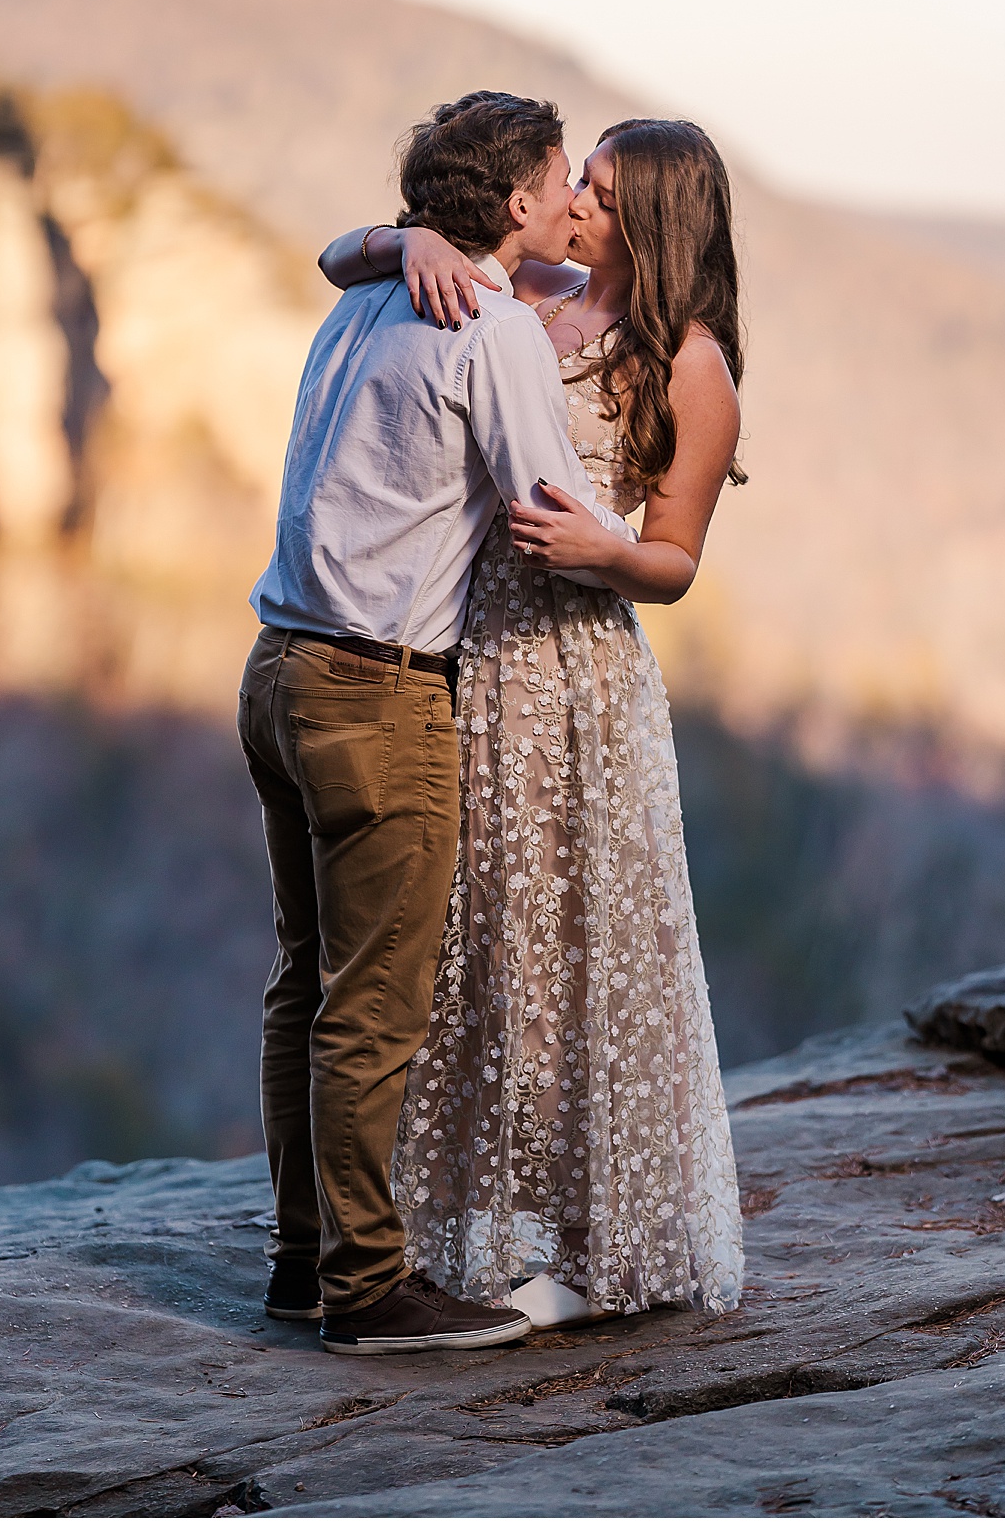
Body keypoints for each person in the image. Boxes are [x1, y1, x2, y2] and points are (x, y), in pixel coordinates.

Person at [318, 116, 745, 1328]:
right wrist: (401, 236)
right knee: (476, 957)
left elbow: (674, 560)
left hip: (575, 682)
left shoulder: (689, 364)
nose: (575, 204)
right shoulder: (525, 290)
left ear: (650, 220)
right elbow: (335, 261)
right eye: (579, 182)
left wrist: (602, 551)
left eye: (600, 194)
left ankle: (599, 1248)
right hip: (465, 662)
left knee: (580, 956)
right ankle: (463, 1231)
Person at [239, 91, 641, 1355]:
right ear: (515, 201)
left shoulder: (360, 300)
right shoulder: (494, 332)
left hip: (276, 670)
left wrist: (392, 235)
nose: (572, 198)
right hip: (377, 691)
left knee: (303, 985)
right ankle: (367, 1290)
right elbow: (546, 513)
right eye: (558, 179)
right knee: (373, 1005)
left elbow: (378, 252)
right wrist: (651, 546)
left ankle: (303, 1261)